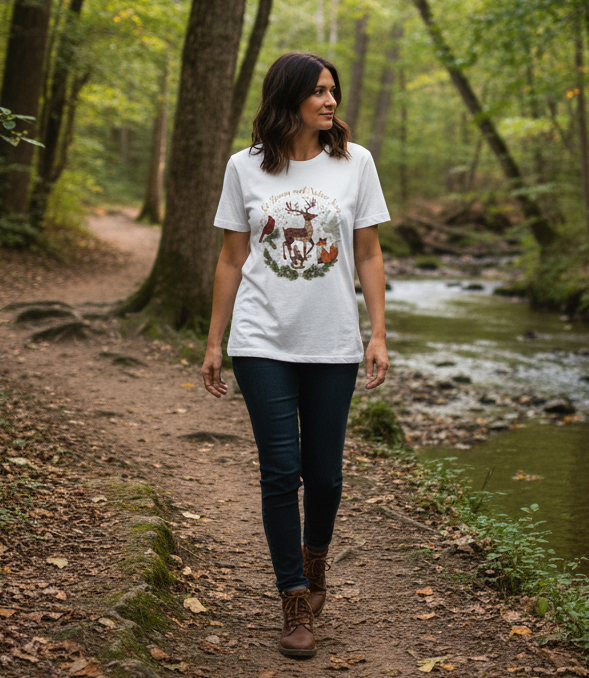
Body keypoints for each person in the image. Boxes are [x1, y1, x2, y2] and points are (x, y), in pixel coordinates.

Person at [201, 52, 390, 658]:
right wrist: (215, 341)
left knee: (326, 476)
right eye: (318, 92)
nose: (330, 101)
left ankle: (315, 558)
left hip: (332, 341)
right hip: (262, 340)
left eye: (333, 90)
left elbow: (369, 254)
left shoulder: (356, 163)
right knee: (281, 472)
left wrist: (378, 333)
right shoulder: (244, 166)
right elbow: (232, 258)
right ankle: (294, 597)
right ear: (289, 99)